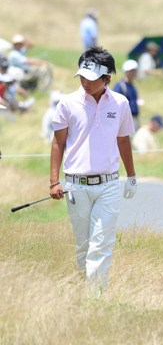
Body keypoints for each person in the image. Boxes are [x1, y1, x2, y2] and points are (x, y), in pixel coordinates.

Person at [49, 46, 137, 292]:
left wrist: (131, 176)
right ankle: (83, 290)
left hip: (108, 184)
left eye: (91, 78)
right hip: (76, 185)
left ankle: (95, 296)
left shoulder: (120, 103)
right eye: (82, 77)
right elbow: (58, 142)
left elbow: (123, 140)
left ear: (107, 78)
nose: (85, 83)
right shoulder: (67, 103)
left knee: (101, 244)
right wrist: (54, 181)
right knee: (83, 245)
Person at [113, 59, 141, 130]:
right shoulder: (120, 86)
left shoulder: (132, 86)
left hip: (133, 118)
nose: (133, 73)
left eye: (134, 71)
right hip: (124, 119)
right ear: (126, 71)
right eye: (131, 71)